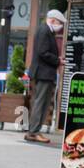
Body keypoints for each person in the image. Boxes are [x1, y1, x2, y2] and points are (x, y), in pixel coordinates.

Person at [25, 9, 65, 144]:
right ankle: (34, 132)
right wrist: (58, 60)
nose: (61, 27)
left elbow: (43, 52)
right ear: (53, 20)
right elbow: (43, 52)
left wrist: (56, 59)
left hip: (44, 72)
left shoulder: (45, 31)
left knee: (41, 102)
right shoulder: (44, 31)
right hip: (43, 73)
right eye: (60, 23)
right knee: (40, 102)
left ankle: (35, 131)